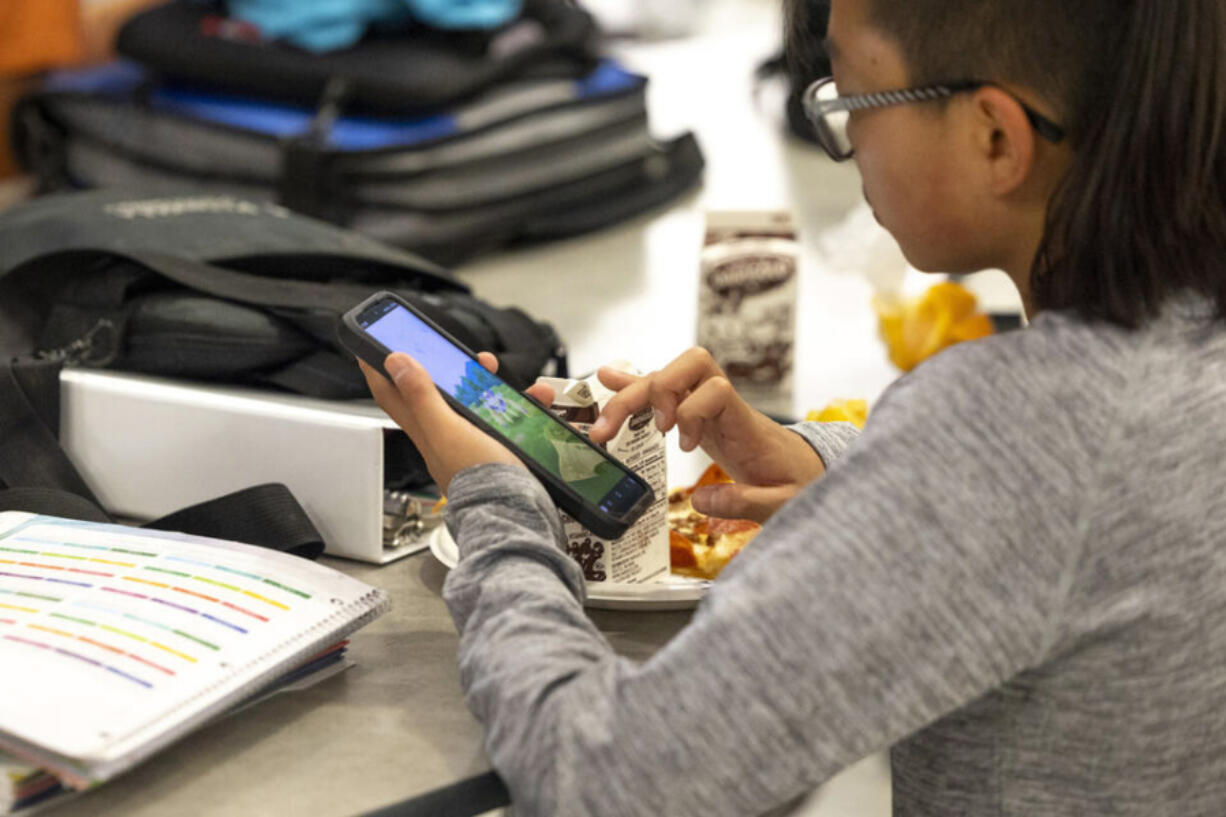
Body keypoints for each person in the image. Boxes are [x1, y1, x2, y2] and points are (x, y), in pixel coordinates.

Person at [360, 0, 1226, 813]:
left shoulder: (1018, 435)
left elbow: (604, 774)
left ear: (996, 135)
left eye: (854, 95)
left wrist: (493, 499)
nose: (840, 132)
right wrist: (843, 473)